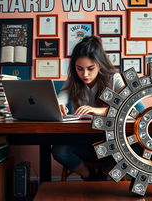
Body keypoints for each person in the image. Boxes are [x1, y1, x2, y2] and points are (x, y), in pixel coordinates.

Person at [51, 36, 145, 180]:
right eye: (79, 69)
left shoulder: (114, 79)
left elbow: (137, 110)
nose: (85, 75)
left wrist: (99, 111)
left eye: (90, 68)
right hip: (84, 140)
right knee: (60, 151)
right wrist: (59, 106)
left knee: (128, 151)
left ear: (100, 65)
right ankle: (89, 176)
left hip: (113, 141)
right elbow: (60, 99)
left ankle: (104, 177)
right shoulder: (74, 81)